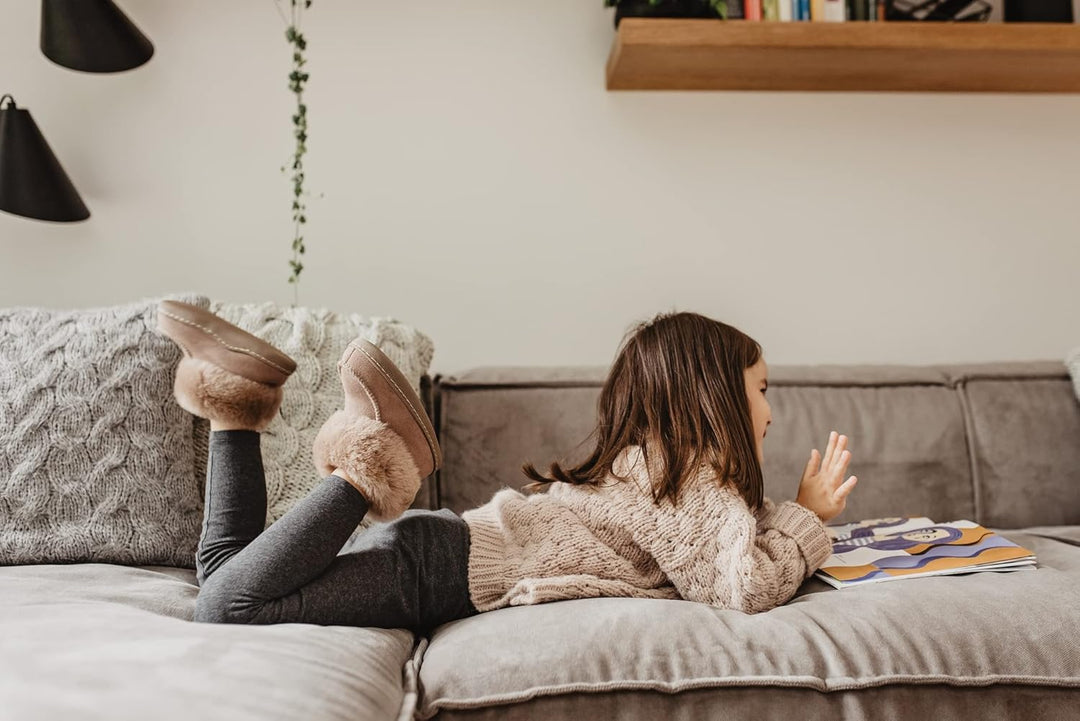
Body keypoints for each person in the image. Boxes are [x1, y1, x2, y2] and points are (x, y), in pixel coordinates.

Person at [157, 301, 858, 632]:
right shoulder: (684, 474)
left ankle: (237, 405)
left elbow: (711, 551)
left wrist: (771, 515)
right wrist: (806, 517)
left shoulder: (657, 470)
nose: (771, 410)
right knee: (228, 604)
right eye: (763, 388)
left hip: (443, 551)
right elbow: (739, 584)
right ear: (712, 393)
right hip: (433, 572)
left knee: (224, 570)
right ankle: (372, 459)